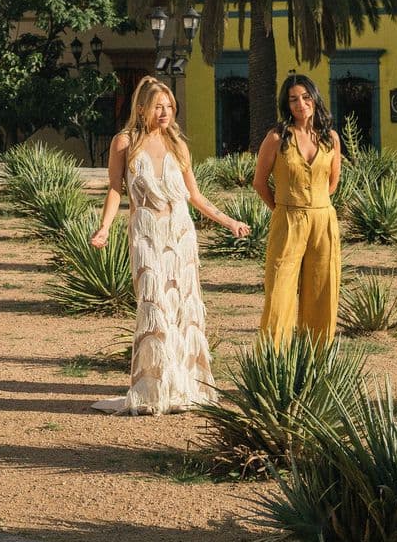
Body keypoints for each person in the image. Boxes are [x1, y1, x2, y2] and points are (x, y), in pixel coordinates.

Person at [90, 75, 249, 414]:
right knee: (154, 305)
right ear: (142, 107)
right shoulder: (124, 142)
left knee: (183, 308)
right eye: (158, 107)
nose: (165, 113)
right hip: (146, 231)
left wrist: (229, 221)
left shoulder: (178, 144)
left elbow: (194, 196)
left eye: (169, 107)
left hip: (180, 235)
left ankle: (183, 385)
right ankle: (153, 387)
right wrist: (104, 228)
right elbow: (116, 190)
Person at [254, 72, 341, 346]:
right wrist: (282, 207)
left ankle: (316, 359)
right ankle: (272, 360)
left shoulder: (330, 138)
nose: (300, 104)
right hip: (287, 219)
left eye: (305, 97)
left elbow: (332, 183)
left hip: (323, 221)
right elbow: (259, 182)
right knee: (279, 291)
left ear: (315, 99)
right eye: (293, 99)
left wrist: (314, 206)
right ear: (286, 104)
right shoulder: (277, 137)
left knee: (322, 291)